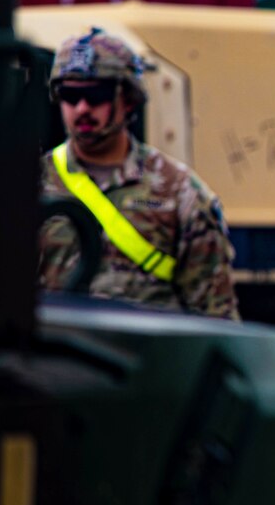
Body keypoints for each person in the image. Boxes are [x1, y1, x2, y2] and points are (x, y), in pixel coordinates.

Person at [39, 27, 240, 320]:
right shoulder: (28, 184)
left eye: (97, 95)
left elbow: (216, 316)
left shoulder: (179, 193)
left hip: (150, 360)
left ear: (129, 100)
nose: (81, 108)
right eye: (70, 95)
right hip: (57, 359)